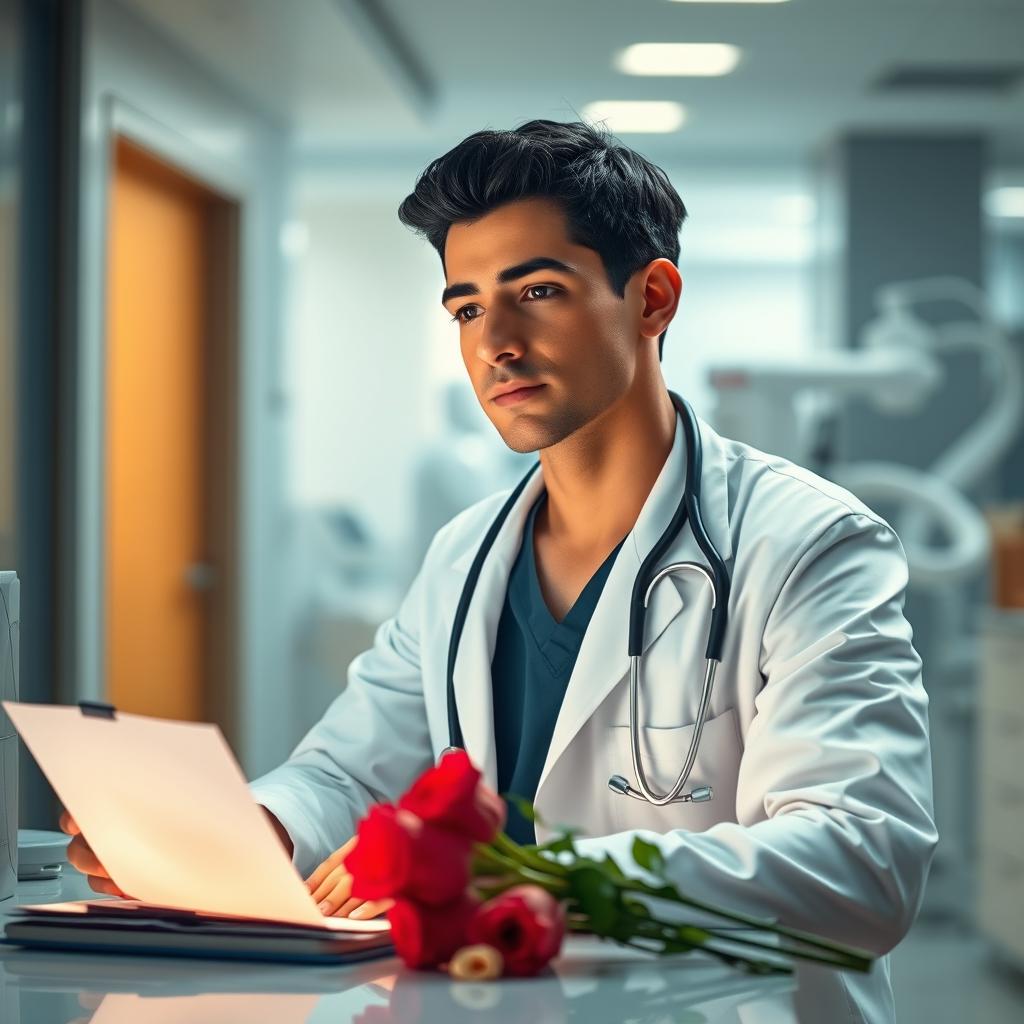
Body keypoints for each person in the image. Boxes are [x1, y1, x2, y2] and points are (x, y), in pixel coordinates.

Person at [63, 119, 937, 1022]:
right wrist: (254, 828)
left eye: (539, 292)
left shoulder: (807, 543)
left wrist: (537, 878)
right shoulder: (466, 554)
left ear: (652, 299)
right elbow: (351, 773)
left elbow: (862, 862)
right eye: (468, 307)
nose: (496, 344)